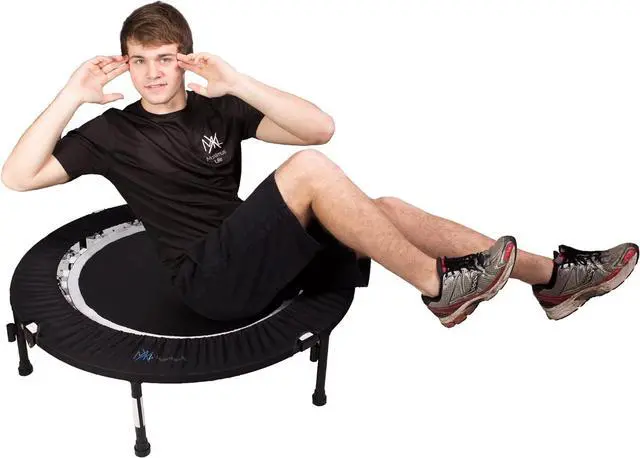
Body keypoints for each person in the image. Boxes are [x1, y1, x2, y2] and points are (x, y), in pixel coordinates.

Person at [1, 2, 636, 327]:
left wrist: (237, 81)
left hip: (253, 258)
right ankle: (438, 287)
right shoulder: (111, 133)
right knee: (307, 170)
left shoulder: (220, 107)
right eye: (139, 61)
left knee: (384, 209)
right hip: (208, 282)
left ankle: (553, 279)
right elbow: (17, 176)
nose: (152, 73)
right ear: (125, 64)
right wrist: (72, 93)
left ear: (185, 59)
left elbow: (321, 126)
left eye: (164, 58)